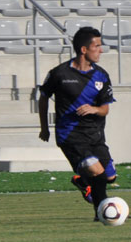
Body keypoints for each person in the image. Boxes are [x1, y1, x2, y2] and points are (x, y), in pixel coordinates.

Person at [38, 26, 117, 221]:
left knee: (109, 177)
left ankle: (83, 183)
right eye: (97, 46)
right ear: (84, 50)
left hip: (95, 135)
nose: (101, 50)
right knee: (97, 171)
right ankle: (102, 213)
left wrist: (94, 109)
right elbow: (43, 97)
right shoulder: (59, 74)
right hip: (70, 135)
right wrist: (44, 127)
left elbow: (105, 109)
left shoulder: (102, 76)